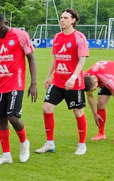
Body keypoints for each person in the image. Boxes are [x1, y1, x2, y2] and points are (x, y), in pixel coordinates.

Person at [0, 12, 37, 165]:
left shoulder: (21, 35)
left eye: (0, 29)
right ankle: (6, 155)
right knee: (1, 119)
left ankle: (24, 142)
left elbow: (31, 58)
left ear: (6, 23)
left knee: (13, 117)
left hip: (16, 82)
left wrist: (33, 83)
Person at [37, 8, 89, 156]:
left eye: (66, 18)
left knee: (78, 112)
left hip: (74, 83)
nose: (62, 20)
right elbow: (55, 58)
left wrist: (73, 77)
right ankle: (49, 143)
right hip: (58, 81)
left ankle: (82, 144)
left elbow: (82, 60)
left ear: (73, 20)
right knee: (47, 108)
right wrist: (48, 76)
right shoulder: (57, 37)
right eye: (61, 17)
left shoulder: (79, 37)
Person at [83, 60, 114, 144]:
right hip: (105, 75)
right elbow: (89, 96)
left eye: (94, 88)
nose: (94, 90)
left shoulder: (107, 79)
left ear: (96, 82)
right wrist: (95, 114)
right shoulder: (86, 78)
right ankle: (101, 133)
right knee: (100, 103)